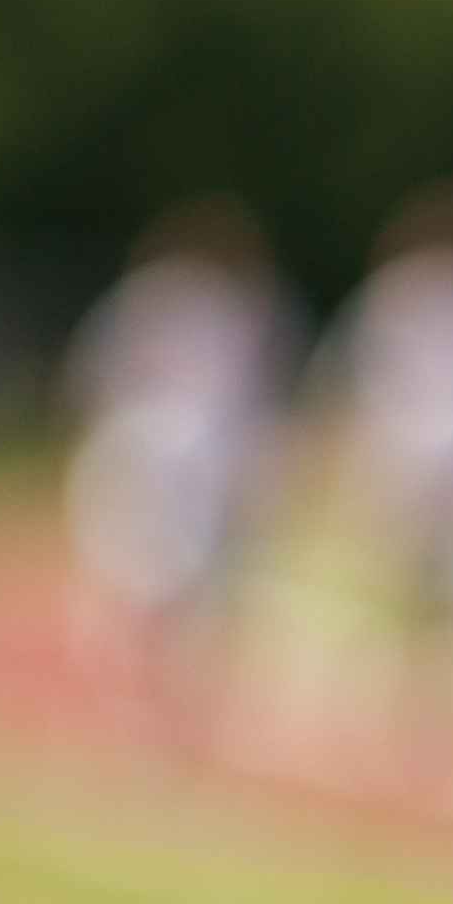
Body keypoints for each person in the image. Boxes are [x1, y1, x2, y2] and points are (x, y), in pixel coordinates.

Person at [324, 180, 453, 751]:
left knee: (399, 591)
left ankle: (388, 702)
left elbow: (365, 374)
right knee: (436, 599)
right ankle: (420, 709)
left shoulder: (405, 289)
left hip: (410, 456)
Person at [62, 198, 291, 723]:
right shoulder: (232, 305)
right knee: (179, 573)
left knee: (146, 571)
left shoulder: (154, 296)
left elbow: (95, 376)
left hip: (152, 443)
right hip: (192, 449)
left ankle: (148, 681)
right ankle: (168, 682)